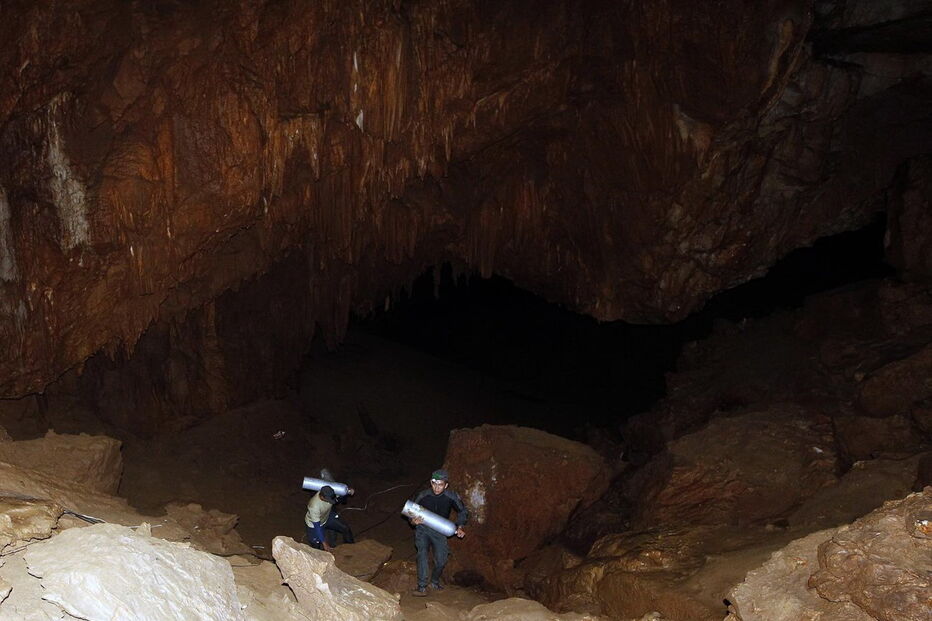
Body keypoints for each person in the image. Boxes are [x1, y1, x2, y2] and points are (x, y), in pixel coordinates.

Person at [408, 469, 468, 596]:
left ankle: (434, 581)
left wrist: (460, 526)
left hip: (440, 529)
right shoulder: (423, 496)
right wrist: (413, 521)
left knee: (441, 559)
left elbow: (463, 511)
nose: (436, 488)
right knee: (422, 553)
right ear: (431, 482)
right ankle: (422, 586)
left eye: (440, 485)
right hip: (423, 529)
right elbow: (410, 513)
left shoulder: (451, 497)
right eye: (434, 484)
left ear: (446, 485)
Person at [305, 485, 355, 551]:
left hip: (327, 517)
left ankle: (352, 549)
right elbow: (317, 526)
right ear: (322, 497)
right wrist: (324, 543)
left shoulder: (330, 493)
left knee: (345, 528)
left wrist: (348, 491)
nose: (330, 501)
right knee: (316, 546)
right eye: (328, 499)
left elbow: (342, 496)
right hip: (314, 525)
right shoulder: (314, 506)